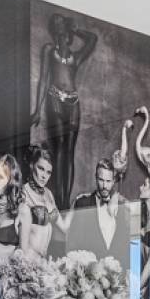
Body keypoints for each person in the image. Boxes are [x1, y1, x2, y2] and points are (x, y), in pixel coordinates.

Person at [32, 13, 98, 210]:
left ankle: (65, 202)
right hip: (55, 100)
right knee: (60, 148)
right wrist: (37, 110)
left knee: (69, 151)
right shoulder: (49, 50)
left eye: (61, 22)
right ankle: (59, 201)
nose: (58, 25)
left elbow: (93, 39)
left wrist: (75, 29)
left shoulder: (75, 57)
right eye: (55, 23)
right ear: (53, 29)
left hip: (73, 103)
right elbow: (43, 80)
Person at [63, 121, 139, 276]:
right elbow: (72, 244)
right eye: (101, 180)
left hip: (115, 280)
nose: (104, 185)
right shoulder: (82, 203)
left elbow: (126, 246)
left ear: (114, 181)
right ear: (96, 178)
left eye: (108, 181)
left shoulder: (122, 207)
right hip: (88, 279)